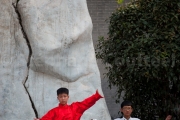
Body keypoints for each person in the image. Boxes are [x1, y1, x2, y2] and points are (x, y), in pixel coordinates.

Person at [34, 87, 103, 120]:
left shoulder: (74, 108)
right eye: (61, 97)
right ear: (58, 98)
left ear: (68, 97)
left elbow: (85, 103)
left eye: (64, 96)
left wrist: (96, 96)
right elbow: (46, 119)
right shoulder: (54, 111)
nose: (63, 98)